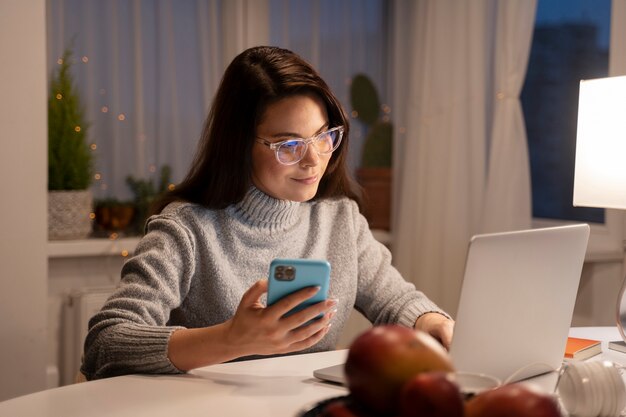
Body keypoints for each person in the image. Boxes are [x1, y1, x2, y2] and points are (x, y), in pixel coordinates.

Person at [81, 46, 454, 380]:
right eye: (289, 145)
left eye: (324, 137)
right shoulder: (186, 229)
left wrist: (431, 322)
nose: (314, 160)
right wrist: (229, 340)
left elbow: (395, 301)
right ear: (240, 147)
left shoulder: (340, 220)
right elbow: (106, 342)